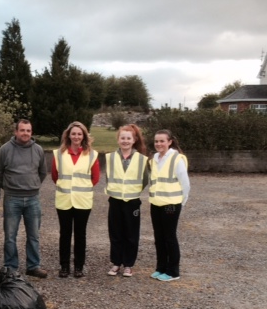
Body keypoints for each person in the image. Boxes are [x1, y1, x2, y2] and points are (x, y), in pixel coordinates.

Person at [0, 119, 48, 278]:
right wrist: (9, 186)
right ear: (15, 132)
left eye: (28, 131)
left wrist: (33, 185)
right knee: (10, 235)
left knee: (34, 235)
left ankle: (33, 266)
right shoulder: (5, 150)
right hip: (12, 199)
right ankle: (10, 266)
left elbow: (43, 172)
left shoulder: (38, 150)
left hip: (33, 199)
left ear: (31, 132)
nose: (25, 133)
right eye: (22, 130)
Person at [51, 121, 100, 278]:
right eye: (73, 133)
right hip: (64, 199)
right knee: (64, 234)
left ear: (84, 136)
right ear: (68, 135)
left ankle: (79, 267)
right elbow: (54, 176)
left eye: (79, 134)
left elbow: (95, 177)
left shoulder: (92, 154)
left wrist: (80, 189)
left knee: (80, 234)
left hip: (83, 201)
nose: (76, 136)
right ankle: (64, 266)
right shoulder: (59, 154)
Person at [105, 124, 148, 277]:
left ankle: (128, 264)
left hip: (132, 201)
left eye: (128, 138)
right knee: (115, 233)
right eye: (122, 138)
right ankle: (116, 263)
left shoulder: (141, 159)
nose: (125, 141)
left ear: (134, 140)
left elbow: (144, 180)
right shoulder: (110, 157)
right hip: (115, 200)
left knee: (131, 234)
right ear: (118, 140)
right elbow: (108, 177)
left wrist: (132, 191)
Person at [149, 129, 190, 282]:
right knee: (159, 237)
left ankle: (173, 271)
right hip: (156, 204)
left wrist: (181, 202)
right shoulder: (153, 159)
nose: (159, 144)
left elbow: (185, 184)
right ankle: (161, 268)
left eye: (162, 141)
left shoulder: (176, 158)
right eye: (156, 141)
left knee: (169, 237)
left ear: (169, 142)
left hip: (171, 205)